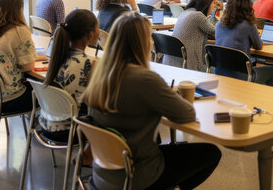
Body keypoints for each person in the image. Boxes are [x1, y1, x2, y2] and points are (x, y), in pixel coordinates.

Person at [82, 12, 221, 190]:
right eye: (149, 37)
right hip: (138, 173)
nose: (152, 42)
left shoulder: (98, 71)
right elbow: (186, 114)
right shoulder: (145, 79)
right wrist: (167, 96)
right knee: (211, 153)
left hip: (103, 173)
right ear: (141, 43)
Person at [40, 9, 99, 141]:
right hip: (70, 130)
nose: (99, 33)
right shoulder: (86, 64)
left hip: (46, 124)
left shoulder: (58, 57)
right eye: (97, 29)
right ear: (90, 35)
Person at [215, 0, 273, 87]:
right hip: (242, 76)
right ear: (248, 5)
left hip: (220, 73)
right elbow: (258, 46)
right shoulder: (249, 25)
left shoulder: (219, 24)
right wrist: (255, 36)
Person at [164, 0, 222, 72]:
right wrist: (217, 11)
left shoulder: (185, 12)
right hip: (187, 64)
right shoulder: (197, 16)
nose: (215, 6)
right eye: (214, 3)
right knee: (216, 67)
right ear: (207, 2)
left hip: (174, 63)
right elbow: (216, 31)